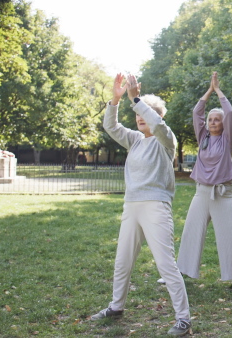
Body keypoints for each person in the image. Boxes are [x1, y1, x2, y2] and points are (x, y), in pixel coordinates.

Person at [91, 73, 191, 336]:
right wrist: (115, 99)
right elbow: (111, 127)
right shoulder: (135, 140)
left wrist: (136, 98)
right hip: (131, 205)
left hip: (156, 206)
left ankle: (183, 319)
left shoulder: (165, 140)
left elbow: (157, 124)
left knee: (165, 263)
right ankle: (116, 306)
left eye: (144, 113)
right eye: (136, 114)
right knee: (122, 260)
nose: (139, 117)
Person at [173, 72, 232, 291]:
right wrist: (208, 91)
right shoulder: (202, 137)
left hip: (223, 194)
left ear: (223, 124)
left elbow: (230, 113)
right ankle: (179, 273)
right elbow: (196, 112)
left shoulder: (227, 139)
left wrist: (219, 91)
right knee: (191, 231)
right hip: (202, 192)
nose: (212, 122)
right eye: (210, 119)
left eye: (217, 119)